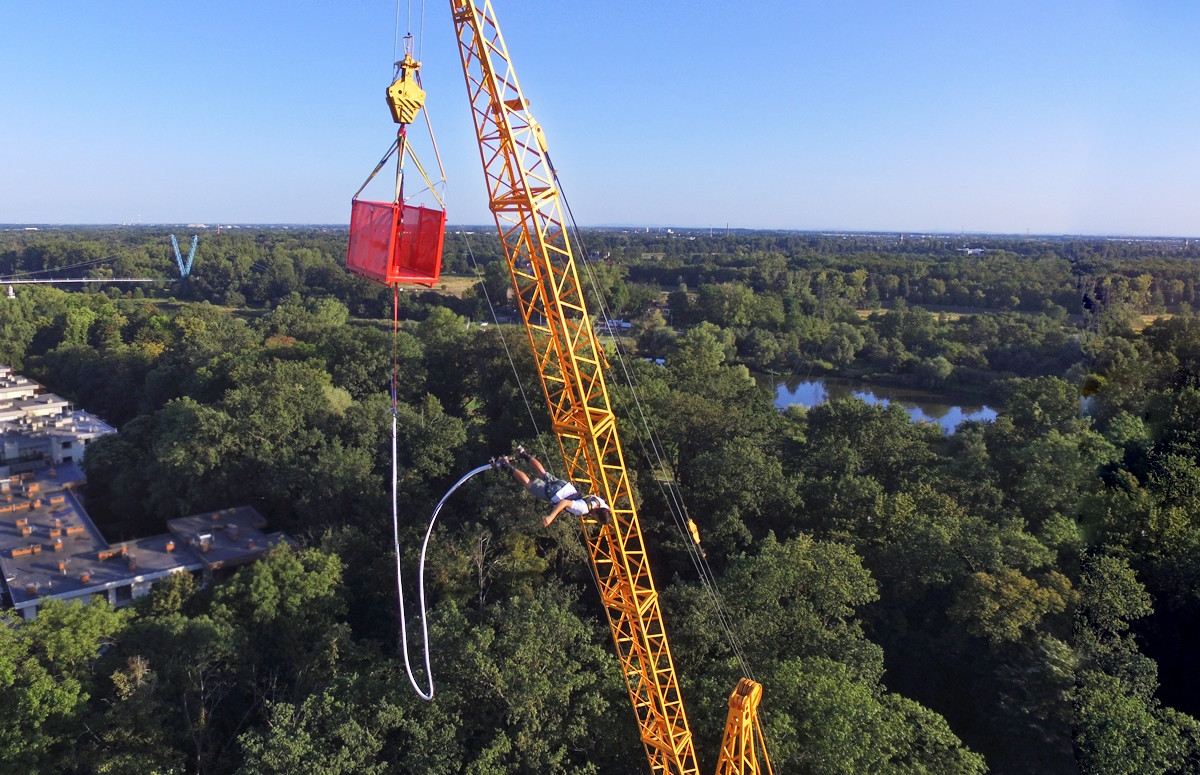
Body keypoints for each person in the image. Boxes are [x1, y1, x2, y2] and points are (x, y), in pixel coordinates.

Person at [492, 446, 612, 526]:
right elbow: (564, 503)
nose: (594, 520)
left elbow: (608, 510)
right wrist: (551, 517)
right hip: (557, 495)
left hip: (566, 486)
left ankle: (523, 453)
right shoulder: (583, 509)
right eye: (597, 520)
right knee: (529, 485)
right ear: (597, 515)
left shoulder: (601, 503)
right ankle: (506, 464)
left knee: (542, 473)